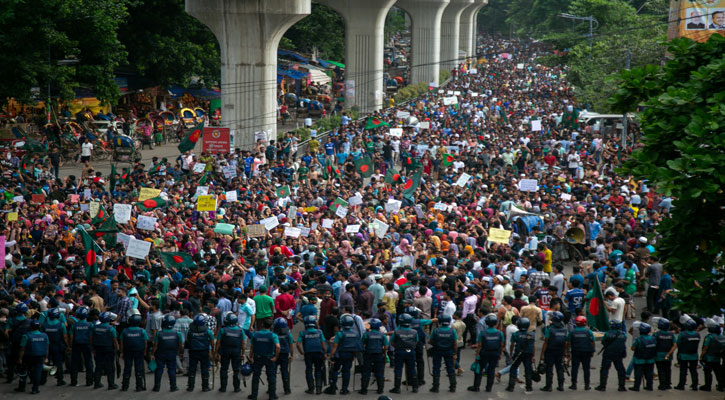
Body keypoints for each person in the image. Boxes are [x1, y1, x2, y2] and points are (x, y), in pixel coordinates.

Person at [325, 314, 361, 394]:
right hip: (350, 355)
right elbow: (357, 346)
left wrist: (331, 356)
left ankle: (333, 388)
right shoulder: (356, 334)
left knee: (335, 370)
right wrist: (354, 355)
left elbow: (335, 346)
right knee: (347, 371)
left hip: (339, 355)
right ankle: (344, 389)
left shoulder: (340, 334)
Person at [248, 317, 280, 400]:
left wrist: (250, 357)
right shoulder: (273, 335)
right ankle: (272, 396)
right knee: (271, 376)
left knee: (256, 376)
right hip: (269, 357)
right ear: (271, 326)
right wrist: (276, 357)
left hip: (258, 357)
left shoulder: (255, 334)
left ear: (262, 325)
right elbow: (278, 347)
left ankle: (254, 395)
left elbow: (251, 347)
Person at [470, 314, 503, 392]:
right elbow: (501, 345)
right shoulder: (499, 333)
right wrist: (500, 354)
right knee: (491, 370)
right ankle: (489, 388)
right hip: (495, 353)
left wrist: (477, 355)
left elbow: (480, 345)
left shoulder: (483, 333)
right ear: (495, 323)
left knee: (479, 369)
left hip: (484, 353)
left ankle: (476, 386)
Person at [151, 314, 183, 392]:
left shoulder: (159, 333)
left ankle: (156, 387)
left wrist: (152, 354)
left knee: (159, 370)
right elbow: (180, 345)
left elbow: (155, 345)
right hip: (172, 354)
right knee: (172, 369)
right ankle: (173, 387)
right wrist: (180, 353)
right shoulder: (177, 333)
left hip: (160, 354)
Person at [215, 313, 245, 393]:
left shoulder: (222, 330)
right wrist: (243, 352)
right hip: (236, 352)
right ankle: (237, 388)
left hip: (225, 352)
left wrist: (216, 352)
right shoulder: (240, 330)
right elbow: (243, 343)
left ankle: (223, 388)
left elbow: (218, 342)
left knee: (224, 369)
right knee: (236, 370)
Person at [16, 320, 48, 394]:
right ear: (39, 327)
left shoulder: (26, 336)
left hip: (28, 357)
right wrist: (46, 357)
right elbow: (47, 347)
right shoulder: (44, 335)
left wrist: (20, 358)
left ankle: (21, 387)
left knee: (24, 371)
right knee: (38, 372)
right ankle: (35, 388)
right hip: (40, 356)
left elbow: (22, 349)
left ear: (30, 327)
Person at [428, 314, 457, 392]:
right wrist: (455, 353)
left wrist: (436, 344)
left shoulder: (436, 330)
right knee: (450, 368)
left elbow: (430, 341)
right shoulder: (452, 331)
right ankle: (453, 386)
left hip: (437, 351)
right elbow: (455, 343)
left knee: (436, 368)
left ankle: (435, 387)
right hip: (449, 351)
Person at [389, 313, 418, 393]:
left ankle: (397, 388)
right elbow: (416, 342)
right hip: (411, 351)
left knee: (398, 369)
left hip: (399, 351)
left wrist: (398, 347)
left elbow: (392, 342)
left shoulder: (396, 331)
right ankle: (415, 387)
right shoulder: (414, 332)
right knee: (412, 369)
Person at [595, 320, 627, 392]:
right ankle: (622, 386)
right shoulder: (623, 334)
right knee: (620, 369)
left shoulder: (607, 334)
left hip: (608, 353)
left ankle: (602, 386)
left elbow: (603, 342)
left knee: (604, 369)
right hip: (618, 354)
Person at [297, 315, 326, 394]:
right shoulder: (319, 332)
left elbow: (298, 344)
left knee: (309, 370)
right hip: (319, 353)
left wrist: (301, 352)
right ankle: (319, 389)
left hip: (308, 354)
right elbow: (323, 344)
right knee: (318, 370)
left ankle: (311, 389)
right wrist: (325, 352)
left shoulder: (303, 333)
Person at [539, 310, 567, 391]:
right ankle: (561, 385)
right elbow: (565, 342)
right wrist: (565, 352)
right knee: (560, 368)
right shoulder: (564, 329)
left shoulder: (549, 329)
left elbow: (546, 342)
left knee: (549, 368)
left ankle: (548, 386)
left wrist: (542, 354)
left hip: (550, 351)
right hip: (560, 351)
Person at [359, 318, 388, 395]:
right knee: (379, 372)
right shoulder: (382, 335)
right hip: (378, 354)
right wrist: (383, 353)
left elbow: (361, 344)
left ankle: (364, 390)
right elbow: (386, 346)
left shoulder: (366, 334)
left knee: (366, 372)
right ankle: (380, 389)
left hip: (368, 354)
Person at [669, 318, 700, 391]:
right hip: (694, 355)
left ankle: (681, 385)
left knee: (683, 371)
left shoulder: (682, 334)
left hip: (684, 355)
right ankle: (695, 385)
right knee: (693, 371)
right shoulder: (697, 334)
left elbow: (678, 344)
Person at [505, 317, 535, 392]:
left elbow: (512, 345)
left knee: (513, 368)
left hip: (518, 353)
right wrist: (533, 355)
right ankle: (529, 386)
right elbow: (533, 345)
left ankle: (511, 386)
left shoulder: (516, 334)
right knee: (528, 369)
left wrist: (511, 354)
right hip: (528, 353)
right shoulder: (531, 334)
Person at [90, 311, 119, 390]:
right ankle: (111, 384)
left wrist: (93, 348)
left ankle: (97, 383)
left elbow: (91, 338)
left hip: (98, 348)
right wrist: (117, 349)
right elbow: (115, 340)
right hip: (108, 349)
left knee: (98, 366)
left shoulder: (95, 327)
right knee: (110, 366)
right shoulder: (111, 329)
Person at [120, 313, 148, 391]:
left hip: (127, 351)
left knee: (127, 367)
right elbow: (145, 343)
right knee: (139, 368)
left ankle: (125, 386)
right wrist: (145, 352)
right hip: (139, 351)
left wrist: (121, 352)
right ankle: (139, 386)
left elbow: (122, 343)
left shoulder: (125, 331)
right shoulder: (142, 331)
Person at [42, 308, 68, 386]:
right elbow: (65, 337)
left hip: (47, 346)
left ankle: (42, 380)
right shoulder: (61, 324)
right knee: (58, 363)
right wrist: (67, 345)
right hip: (57, 346)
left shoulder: (44, 324)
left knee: (46, 363)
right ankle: (60, 380)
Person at [567, 315, 594, 390]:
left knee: (574, 368)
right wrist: (592, 351)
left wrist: (567, 352)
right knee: (586, 369)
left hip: (575, 352)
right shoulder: (589, 331)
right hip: (586, 352)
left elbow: (568, 342)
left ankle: (574, 384)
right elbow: (592, 342)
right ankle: (587, 385)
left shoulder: (572, 332)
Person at [69, 306, 94, 387]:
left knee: (75, 363)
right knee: (88, 363)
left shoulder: (75, 325)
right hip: (87, 345)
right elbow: (91, 336)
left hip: (76, 345)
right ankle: (89, 381)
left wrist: (70, 346)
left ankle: (74, 381)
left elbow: (71, 336)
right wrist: (92, 345)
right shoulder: (90, 325)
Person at [629, 322, 656, 391]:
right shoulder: (653, 338)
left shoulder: (638, 339)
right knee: (649, 374)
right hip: (650, 359)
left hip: (639, 360)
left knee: (638, 374)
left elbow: (633, 348)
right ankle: (649, 386)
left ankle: (636, 387)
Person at [699, 321, 724, 392]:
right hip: (717, 357)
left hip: (709, 357)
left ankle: (707, 386)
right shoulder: (722, 337)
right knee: (718, 372)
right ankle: (721, 386)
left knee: (707, 372)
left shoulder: (709, 337)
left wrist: (701, 357)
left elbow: (705, 348)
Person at [273, 317, 294, 395]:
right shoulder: (288, 333)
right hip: (284, 354)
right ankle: (287, 389)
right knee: (285, 371)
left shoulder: (273, 334)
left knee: (272, 372)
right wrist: (291, 355)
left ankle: (271, 388)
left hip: (274, 354)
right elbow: (291, 345)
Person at [653, 318, 675, 390]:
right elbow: (675, 344)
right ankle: (668, 384)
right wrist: (669, 353)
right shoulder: (671, 334)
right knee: (668, 369)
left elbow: (653, 343)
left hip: (658, 355)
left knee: (660, 370)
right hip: (668, 355)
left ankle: (662, 385)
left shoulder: (656, 334)